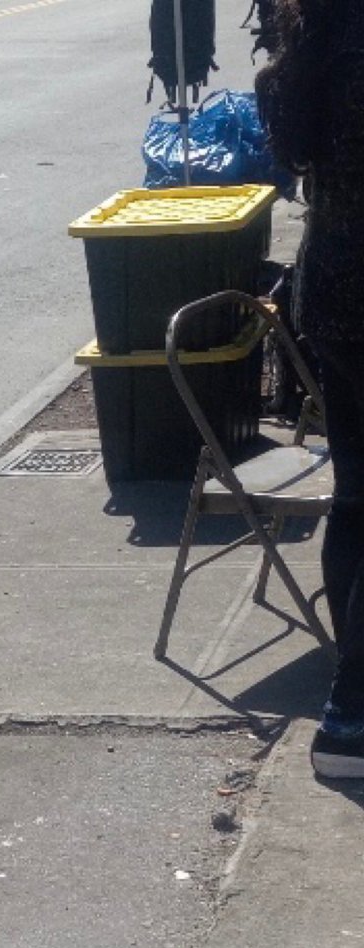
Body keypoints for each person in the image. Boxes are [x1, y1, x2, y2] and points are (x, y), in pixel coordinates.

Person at [257, 2, 364, 776]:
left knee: (355, 497)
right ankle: (350, 717)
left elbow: (296, 154)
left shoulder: (317, 36)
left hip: (330, 286)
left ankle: (348, 709)